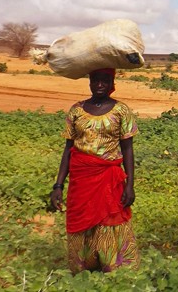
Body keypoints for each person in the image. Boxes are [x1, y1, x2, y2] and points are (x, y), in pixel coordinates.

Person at [49, 68, 140, 273]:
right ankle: (84, 268)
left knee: (108, 221)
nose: (100, 84)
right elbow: (68, 150)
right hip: (81, 180)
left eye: (105, 80)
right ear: (89, 82)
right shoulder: (76, 111)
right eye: (95, 80)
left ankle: (110, 267)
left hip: (109, 179)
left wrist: (130, 185)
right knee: (80, 222)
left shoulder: (121, 111)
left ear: (112, 82)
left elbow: (128, 149)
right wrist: (58, 185)